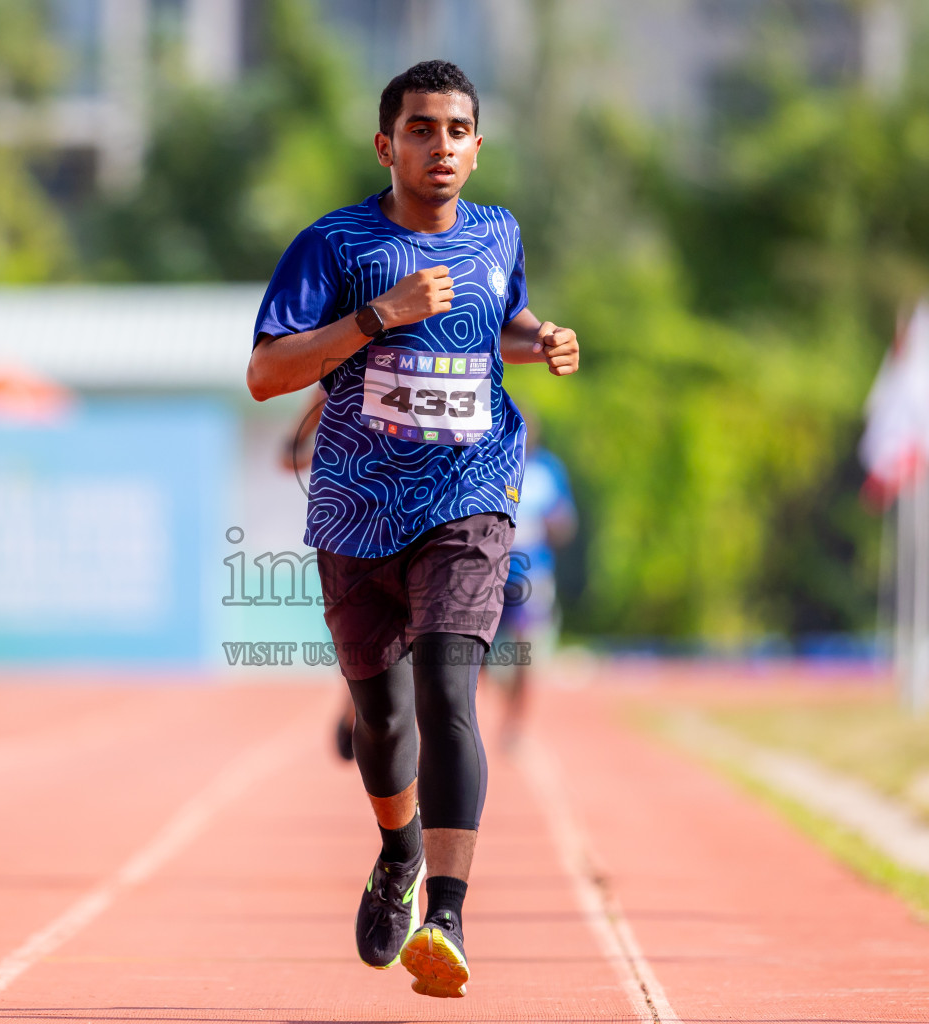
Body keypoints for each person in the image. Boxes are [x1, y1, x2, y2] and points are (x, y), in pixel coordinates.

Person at [246, 60, 580, 999]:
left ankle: (446, 915)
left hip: (471, 494)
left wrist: (538, 340)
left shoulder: (500, 232)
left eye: (458, 131)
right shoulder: (333, 244)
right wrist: (375, 317)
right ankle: (397, 851)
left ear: (478, 148)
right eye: (422, 130)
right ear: (386, 145)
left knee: (447, 688)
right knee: (382, 719)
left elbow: (494, 328)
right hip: (357, 506)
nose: (442, 147)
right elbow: (269, 373)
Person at [278, 388, 358, 762]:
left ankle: (362, 713)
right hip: (351, 533)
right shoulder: (339, 380)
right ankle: (357, 709)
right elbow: (286, 458)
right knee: (365, 644)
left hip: (419, 520)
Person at [493, 419, 577, 749]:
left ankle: (516, 724)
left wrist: (553, 524)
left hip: (532, 570)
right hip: (488, 567)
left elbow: (565, 521)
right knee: (477, 656)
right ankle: (505, 700)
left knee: (525, 649)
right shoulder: (494, 460)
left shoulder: (549, 470)